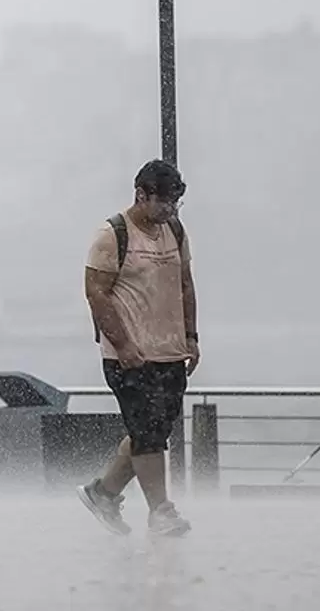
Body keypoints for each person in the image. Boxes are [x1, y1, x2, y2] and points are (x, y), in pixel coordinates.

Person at [79, 159, 199, 537]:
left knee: (152, 431)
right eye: (163, 202)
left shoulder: (175, 232)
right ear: (141, 194)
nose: (169, 210)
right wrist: (124, 344)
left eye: (175, 204)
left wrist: (191, 337)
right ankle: (161, 511)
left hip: (171, 351)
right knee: (147, 430)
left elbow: (185, 285)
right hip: (128, 355)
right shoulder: (113, 234)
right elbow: (95, 294)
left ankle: (103, 493)